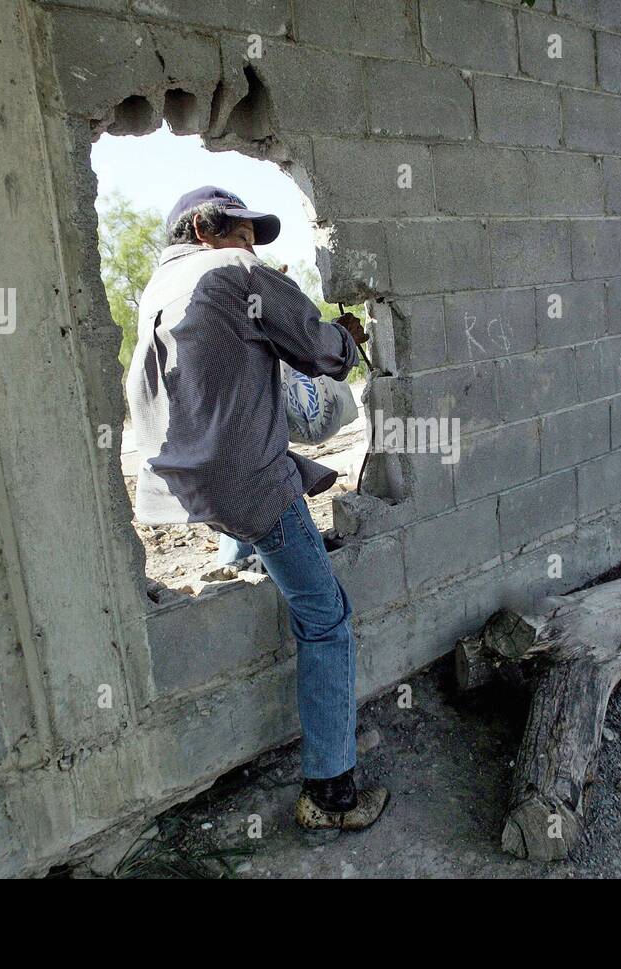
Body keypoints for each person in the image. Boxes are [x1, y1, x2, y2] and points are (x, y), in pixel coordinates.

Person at [125, 186, 388, 832]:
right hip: (248, 484)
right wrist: (348, 341)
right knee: (327, 616)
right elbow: (316, 346)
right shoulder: (231, 271)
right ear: (205, 228)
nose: (252, 248)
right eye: (245, 233)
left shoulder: (157, 291)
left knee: (252, 528)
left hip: (184, 489)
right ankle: (331, 793)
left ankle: (243, 553)